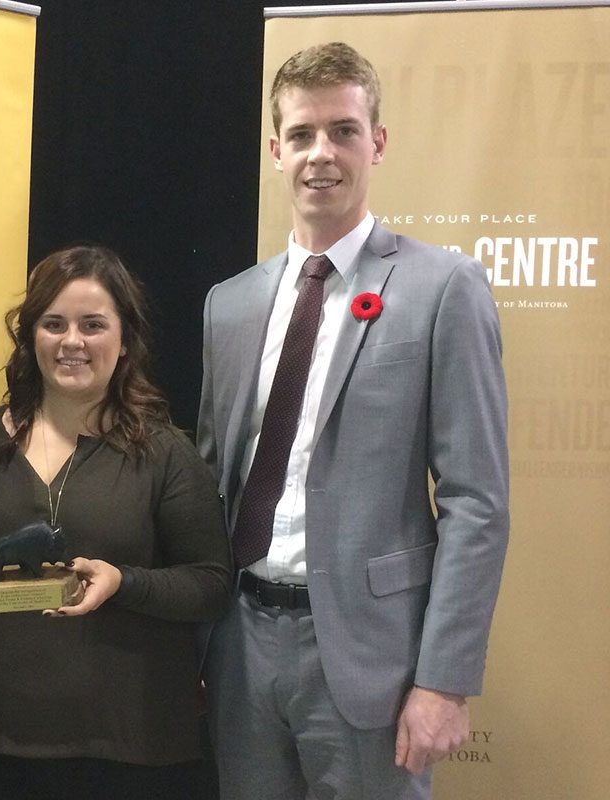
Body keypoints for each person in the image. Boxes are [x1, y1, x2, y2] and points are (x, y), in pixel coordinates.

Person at [196, 42, 509, 799]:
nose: (321, 154)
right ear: (275, 150)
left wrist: (445, 680)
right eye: (301, 135)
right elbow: (209, 482)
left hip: (375, 662)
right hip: (241, 648)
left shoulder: (444, 288)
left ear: (378, 142)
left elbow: (476, 501)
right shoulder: (229, 304)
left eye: (342, 130)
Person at [0, 245, 233, 799]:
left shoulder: (165, 453)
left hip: (135, 746)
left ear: (125, 340)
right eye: (54, 323)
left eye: (93, 325)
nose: (72, 342)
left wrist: (124, 582)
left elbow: (210, 585)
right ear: (30, 336)